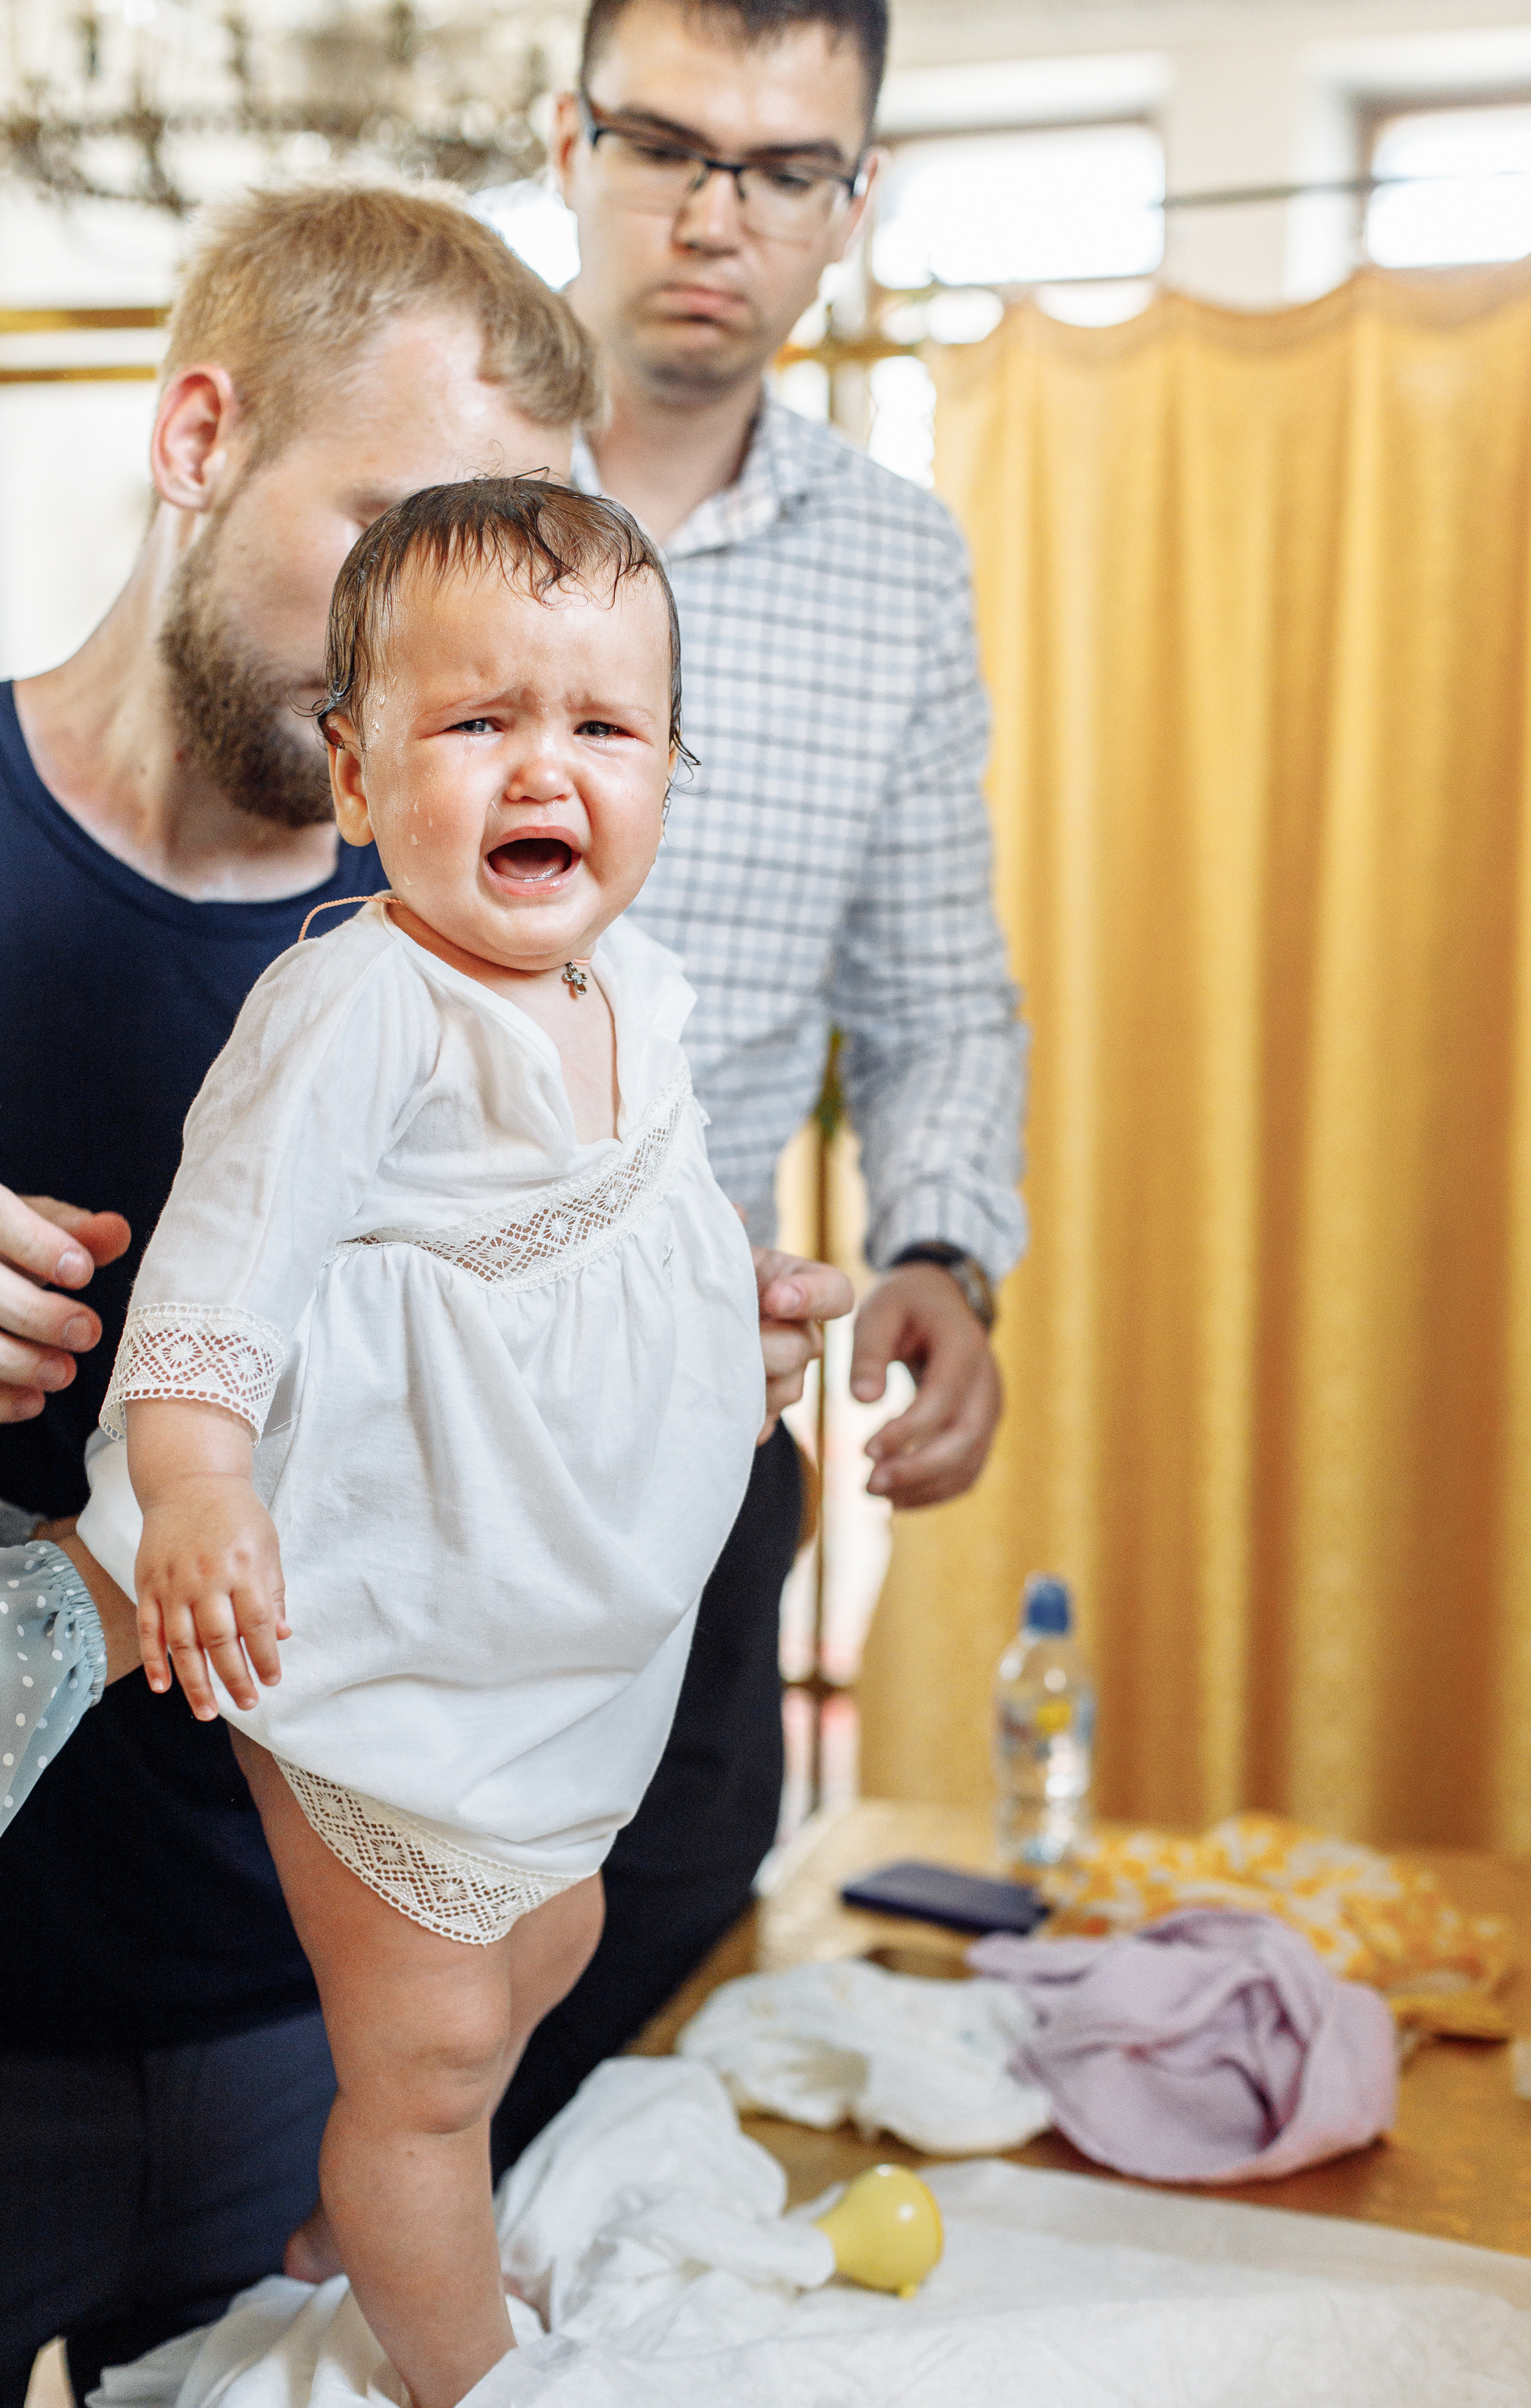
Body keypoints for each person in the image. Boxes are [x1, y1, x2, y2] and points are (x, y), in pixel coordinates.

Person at [0, 186, 844, 2408]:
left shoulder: (496, 943)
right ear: (198, 434)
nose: (438, 634)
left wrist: (695, 1335)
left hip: (312, 2011)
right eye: (400, 527)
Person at [490, 0, 1029, 2165]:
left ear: (853, 205)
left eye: (787, 169)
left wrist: (941, 1251)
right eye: (668, 145)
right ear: (567, 141)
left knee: (650, 1992)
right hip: (369, 1436)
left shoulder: (901, 567)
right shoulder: (411, 480)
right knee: (331, 2057)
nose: (717, 215)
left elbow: (940, 993)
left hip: (696, 1445)